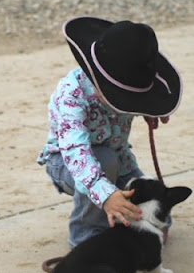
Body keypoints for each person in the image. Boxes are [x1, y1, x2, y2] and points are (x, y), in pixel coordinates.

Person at [37, 17, 183, 248]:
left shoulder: (129, 74)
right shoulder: (71, 96)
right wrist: (106, 196)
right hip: (66, 163)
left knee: (154, 213)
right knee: (104, 161)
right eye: (124, 98)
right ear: (97, 77)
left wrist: (150, 109)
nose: (127, 104)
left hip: (119, 159)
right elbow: (76, 153)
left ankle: (114, 219)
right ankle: (86, 236)